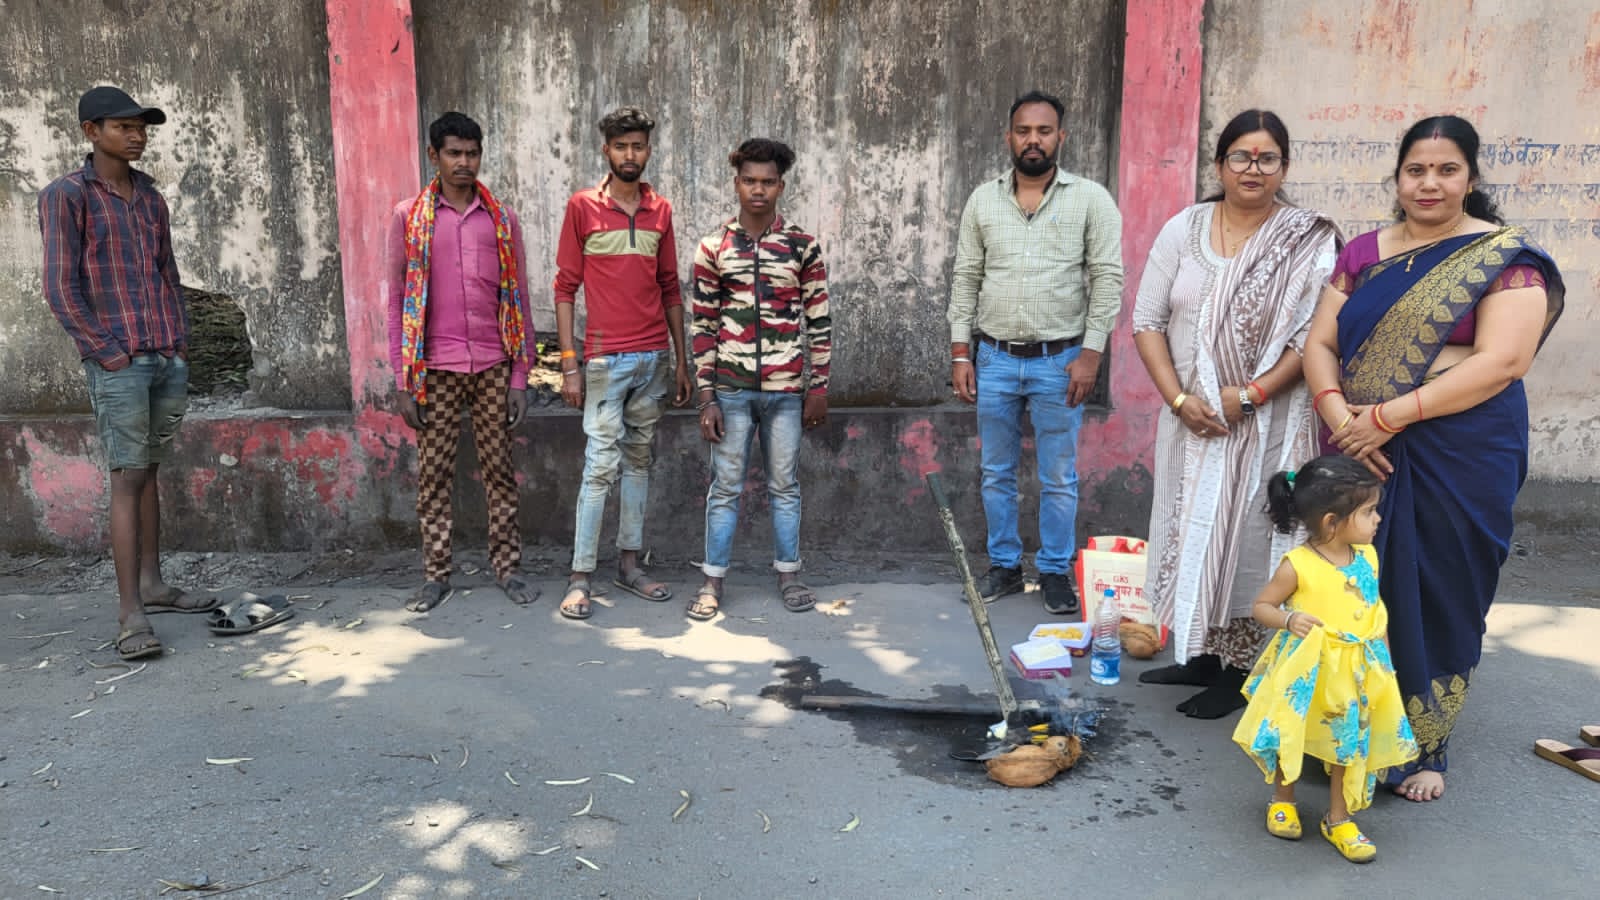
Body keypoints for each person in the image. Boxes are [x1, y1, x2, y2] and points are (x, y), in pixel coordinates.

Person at [1302, 115, 1564, 802]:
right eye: (1416, 169)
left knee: (1442, 587)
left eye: (1447, 170)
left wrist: (1386, 417)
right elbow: (1319, 344)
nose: (1430, 183)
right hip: (1357, 446)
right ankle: (1340, 732)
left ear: (1470, 179)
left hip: (1461, 452)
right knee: (1350, 587)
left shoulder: (1506, 259)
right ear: (1398, 178)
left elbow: (1502, 361)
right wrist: (1343, 420)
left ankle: (1422, 744)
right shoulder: (1363, 253)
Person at [1131, 110, 1340, 719]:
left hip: (1266, 423)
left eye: (1267, 158)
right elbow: (1147, 321)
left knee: (1249, 536)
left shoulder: (1307, 241)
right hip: (1191, 420)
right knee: (1188, 529)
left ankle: (1241, 671)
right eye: (1241, 157)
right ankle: (1200, 653)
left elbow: (1312, 339)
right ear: (1220, 165)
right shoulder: (1184, 228)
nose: (1253, 169)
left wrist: (1250, 395)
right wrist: (1178, 400)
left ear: (1284, 168)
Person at [38, 86, 218, 661]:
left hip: (163, 355)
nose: (137, 135)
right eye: (123, 126)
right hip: (118, 361)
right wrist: (107, 352)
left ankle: (153, 584)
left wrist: (178, 344)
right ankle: (129, 614)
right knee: (127, 476)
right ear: (91, 132)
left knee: (148, 472)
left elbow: (167, 275)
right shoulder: (67, 195)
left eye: (141, 127)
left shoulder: (150, 198)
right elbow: (60, 288)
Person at [947, 89, 1124, 615]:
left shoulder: (1091, 199)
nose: (1033, 140)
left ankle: (1053, 571)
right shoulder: (983, 200)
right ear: (1009, 137)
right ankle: (1004, 566)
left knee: (1058, 477)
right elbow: (966, 276)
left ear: (1060, 137)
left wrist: (1091, 355)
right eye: (1023, 131)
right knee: (996, 472)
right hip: (995, 359)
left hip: (1060, 362)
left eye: (1044, 131)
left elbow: (1107, 278)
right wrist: (961, 353)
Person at [386, 111, 539, 613]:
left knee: (500, 472)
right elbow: (397, 302)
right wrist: (404, 381)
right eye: (454, 153)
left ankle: (508, 568)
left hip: (494, 365)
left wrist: (520, 375)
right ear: (435, 155)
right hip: (435, 369)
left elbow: (518, 297)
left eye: (472, 153)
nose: (464, 163)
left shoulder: (501, 219)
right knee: (434, 477)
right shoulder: (408, 217)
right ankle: (436, 575)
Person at [1232, 455, 1418, 864]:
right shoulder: (1298, 565)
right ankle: (1283, 798)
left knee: (1347, 743)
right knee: (1291, 734)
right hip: (1308, 669)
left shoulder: (1367, 556)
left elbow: (1375, 610)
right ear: (1333, 522)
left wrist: (1385, 661)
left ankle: (1339, 818)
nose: (1378, 519)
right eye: (1368, 512)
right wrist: (1289, 619)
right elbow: (1262, 606)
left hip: (1354, 672)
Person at [554, 107, 693, 620]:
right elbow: (565, 288)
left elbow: (670, 287)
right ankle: (580, 576)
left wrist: (682, 361)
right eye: (621, 146)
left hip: (654, 358)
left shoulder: (661, 211)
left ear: (648, 150)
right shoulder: (583, 207)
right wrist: (569, 364)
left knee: (638, 462)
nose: (629, 154)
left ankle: (630, 566)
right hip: (604, 361)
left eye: (637, 146)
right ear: (606, 151)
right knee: (599, 466)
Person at [687, 138, 832, 621]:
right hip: (730, 390)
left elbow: (819, 320)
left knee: (784, 486)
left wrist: (818, 387)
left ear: (780, 187)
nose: (758, 190)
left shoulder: (801, 247)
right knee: (725, 486)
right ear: (736, 184)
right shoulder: (714, 247)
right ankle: (712, 580)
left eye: (767, 182)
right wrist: (706, 395)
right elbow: (703, 325)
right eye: (749, 180)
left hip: (786, 392)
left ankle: (789, 574)